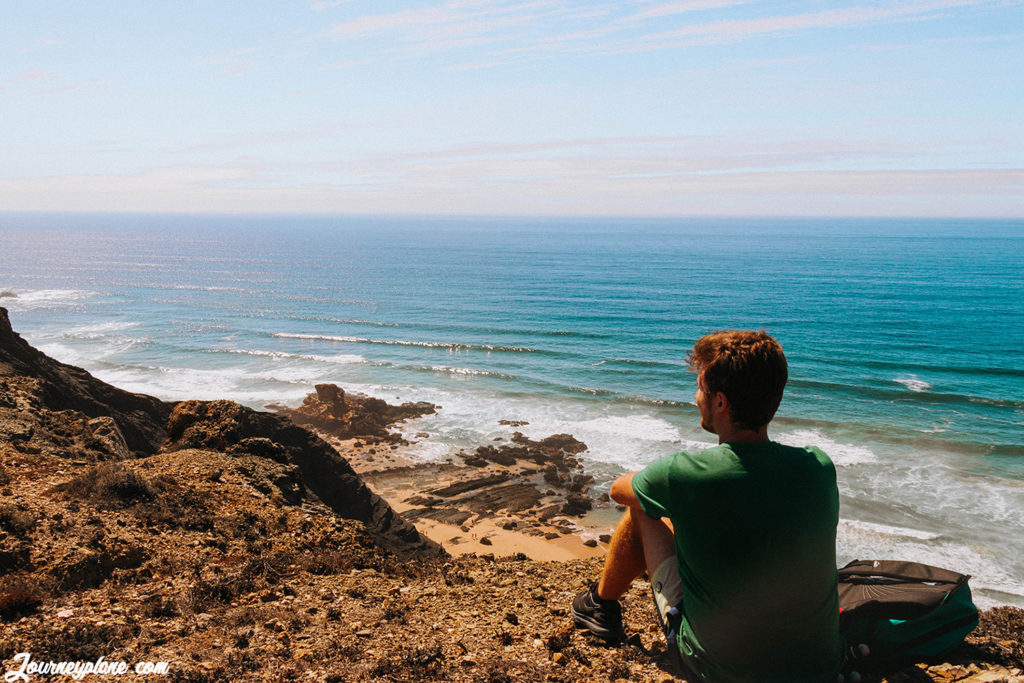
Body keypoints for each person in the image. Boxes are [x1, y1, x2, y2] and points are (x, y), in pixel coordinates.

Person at [571, 330, 845, 682]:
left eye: (700, 387)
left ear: (720, 403)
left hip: (717, 670)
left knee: (643, 508)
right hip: (821, 668)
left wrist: (666, 485)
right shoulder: (818, 467)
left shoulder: (686, 475)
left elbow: (618, 489)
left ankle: (600, 606)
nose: (694, 396)